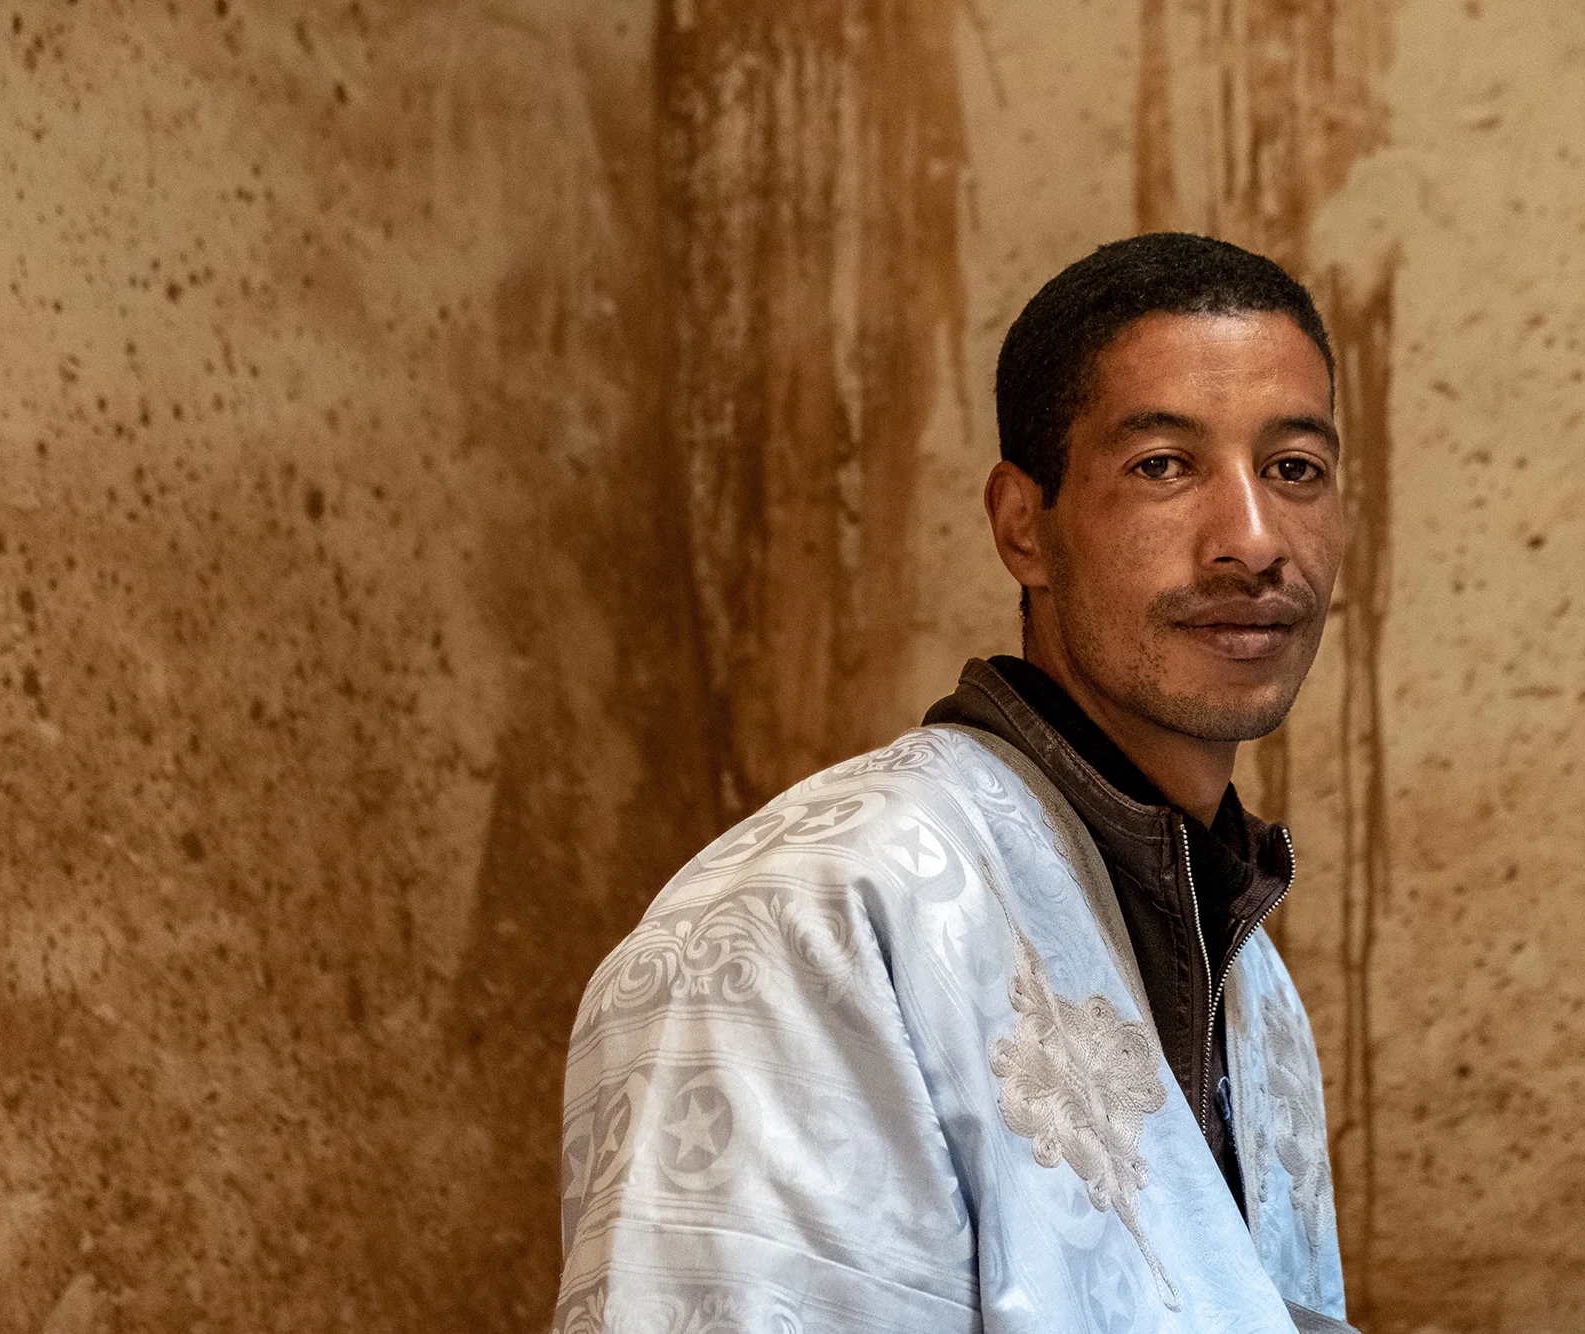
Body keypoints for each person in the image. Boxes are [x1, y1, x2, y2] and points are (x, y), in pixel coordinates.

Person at [552, 233, 1354, 1334]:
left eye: (1292, 469)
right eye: (1162, 464)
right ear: (1022, 524)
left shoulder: (1253, 979)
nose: (1253, 540)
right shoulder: (813, 915)